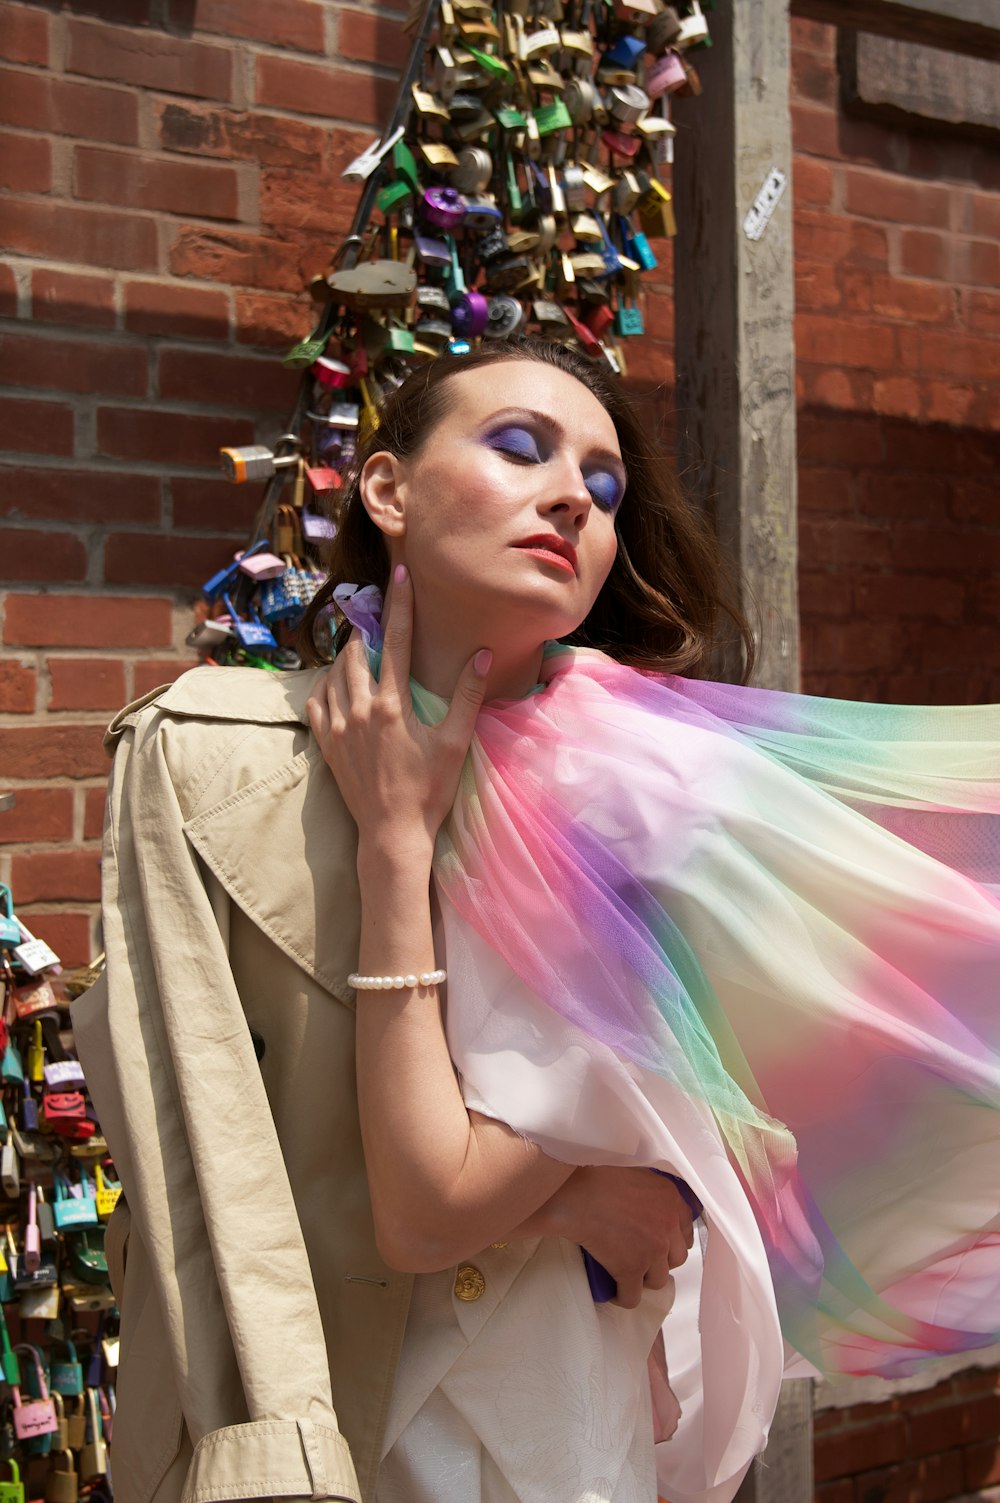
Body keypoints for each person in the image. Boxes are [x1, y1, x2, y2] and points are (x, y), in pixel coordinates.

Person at [74, 338, 1000, 1503]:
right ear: (386, 490)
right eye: (519, 447)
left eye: (603, 488)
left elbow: (449, 1201)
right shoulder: (206, 755)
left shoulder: (658, 794)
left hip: (552, 1406)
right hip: (299, 1403)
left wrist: (397, 846)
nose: (571, 492)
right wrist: (567, 1195)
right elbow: (195, 1136)